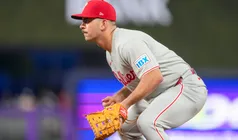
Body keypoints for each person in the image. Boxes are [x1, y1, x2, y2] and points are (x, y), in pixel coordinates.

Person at [71, 0, 207, 139]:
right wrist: (120, 96)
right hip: (161, 93)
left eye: (87, 20)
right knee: (125, 128)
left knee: (148, 122)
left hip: (185, 88)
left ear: (103, 23)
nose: (82, 25)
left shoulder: (127, 43)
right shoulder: (110, 52)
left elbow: (154, 77)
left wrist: (125, 104)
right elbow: (141, 77)